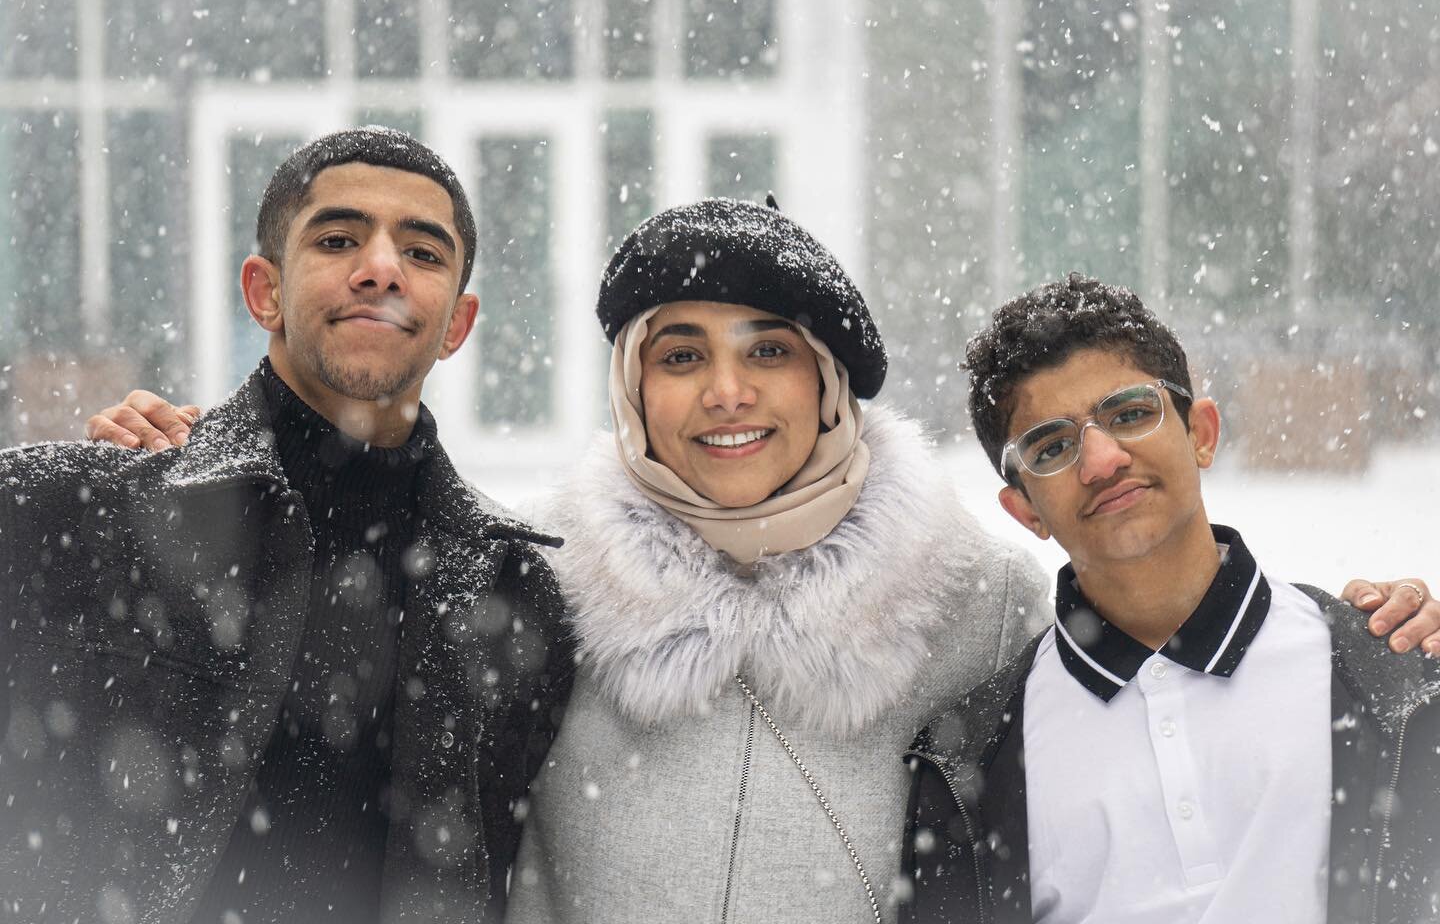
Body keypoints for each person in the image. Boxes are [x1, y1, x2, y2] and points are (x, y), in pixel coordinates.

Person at [84, 206, 1439, 922]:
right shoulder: (528, 586)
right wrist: (217, 464)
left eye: (768, 349)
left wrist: (1377, 636)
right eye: (681, 355)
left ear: (831, 385)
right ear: (635, 391)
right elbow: (338, 600)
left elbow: (1163, 645)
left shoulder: (975, 601)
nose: (727, 393)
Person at [0, 127, 573, 924]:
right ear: (264, 291)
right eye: (339, 239)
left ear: (457, 324)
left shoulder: (516, 592)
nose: (381, 269)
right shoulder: (72, 510)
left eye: (424, 253)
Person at [900, 272, 1440, 923]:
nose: (1101, 460)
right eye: (1052, 445)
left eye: (1129, 413)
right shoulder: (969, 764)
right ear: (1024, 510)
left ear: (1201, 433)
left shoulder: (1390, 671)